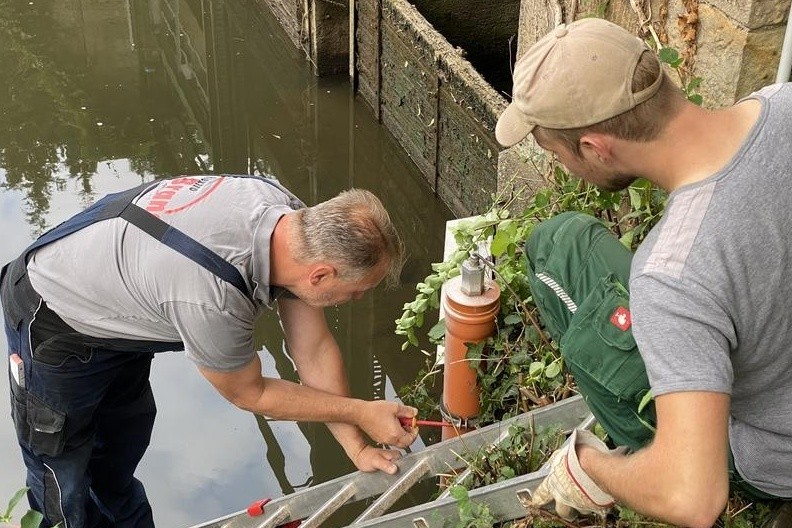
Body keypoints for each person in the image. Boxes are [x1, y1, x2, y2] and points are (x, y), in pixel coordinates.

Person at [495, 17, 792, 528]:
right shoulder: (784, 102)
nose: (567, 166)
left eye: (558, 153)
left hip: (774, 456)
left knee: (558, 245)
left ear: (593, 147)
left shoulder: (672, 274)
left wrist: (592, 469)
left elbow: (692, 498)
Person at [1, 174, 419, 528]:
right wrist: (362, 411)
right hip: (53, 322)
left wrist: (357, 445)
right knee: (64, 477)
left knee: (118, 454)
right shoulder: (212, 295)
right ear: (320, 275)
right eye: (357, 291)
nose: (358, 299)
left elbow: (313, 349)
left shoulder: (291, 220)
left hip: (122, 306)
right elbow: (250, 393)